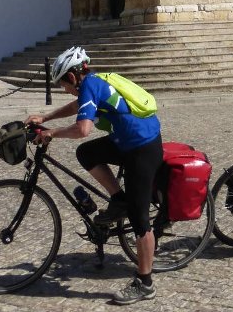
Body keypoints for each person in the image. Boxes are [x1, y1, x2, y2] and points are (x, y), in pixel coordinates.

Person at [26, 46, 161, 305]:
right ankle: (118, 198)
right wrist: (46, 116)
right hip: (125, 142)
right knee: (87, 154)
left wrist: (51, 132)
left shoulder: (90, 84)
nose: (64, 88)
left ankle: (145, 283)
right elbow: (79, 105)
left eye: (63, 83)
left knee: (140, 219)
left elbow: (83, 128)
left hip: (142, 148)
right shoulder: (93, 83)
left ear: (73, 76)